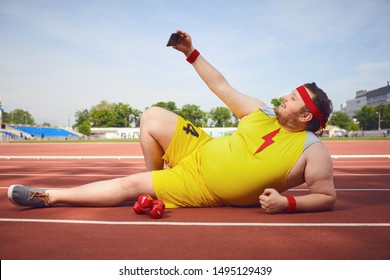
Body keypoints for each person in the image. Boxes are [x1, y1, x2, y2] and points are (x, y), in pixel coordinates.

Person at [8, 30, 336, 214]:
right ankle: (156, 179)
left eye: (292, 98)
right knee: (152, 115)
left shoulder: (312, 150)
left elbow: (327, 197)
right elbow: (221, 85)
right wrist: (190, 53)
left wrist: (286, 203)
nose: (284, 98)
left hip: (204, 187)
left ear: (305, 115)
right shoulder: (262, 112)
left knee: (129, 186)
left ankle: (48, 196)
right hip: (200, 148)